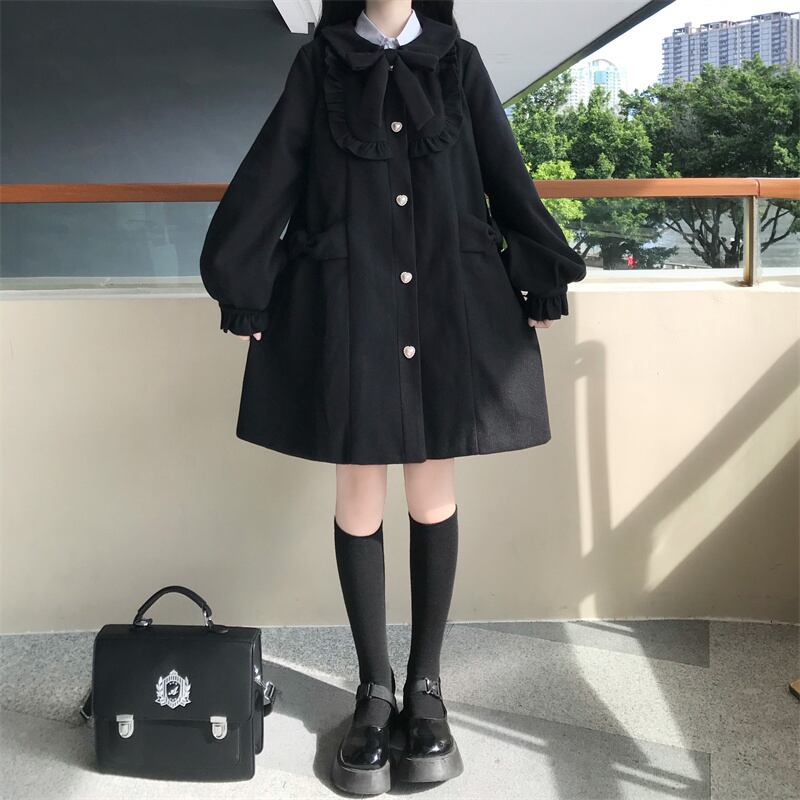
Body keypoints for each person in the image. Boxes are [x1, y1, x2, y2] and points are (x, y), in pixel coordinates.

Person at [199, 0, 586, 794]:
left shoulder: (458, 63)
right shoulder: (319, 64)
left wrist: (539, 271)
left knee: (433, 490)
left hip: (446, 301)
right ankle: (374, 691)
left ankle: (426, 688)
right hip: (351, 304)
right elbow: (274, 168)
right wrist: (244, 282)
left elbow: (503, 169)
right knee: (358, 492)